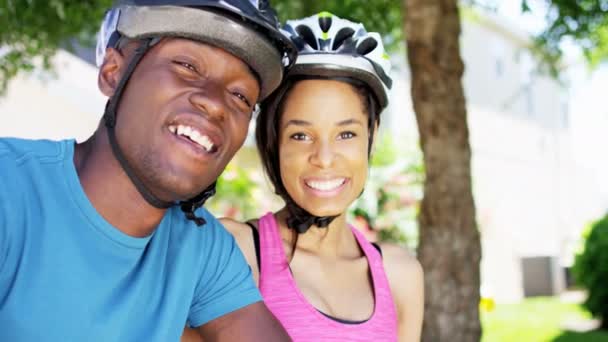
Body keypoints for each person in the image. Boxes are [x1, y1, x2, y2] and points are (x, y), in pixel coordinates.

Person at [0, 1, 298, 341]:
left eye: (241, 96)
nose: (215, 104)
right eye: (187, 66)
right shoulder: (10, 188)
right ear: (113, 72)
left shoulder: (202, 249)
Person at [190, 12, 425, 341]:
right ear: (274, 143)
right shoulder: (235, 250)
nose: (324, 159)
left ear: (371, 135)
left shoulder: (401, 274)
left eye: (346, 135)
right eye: (301, 136)